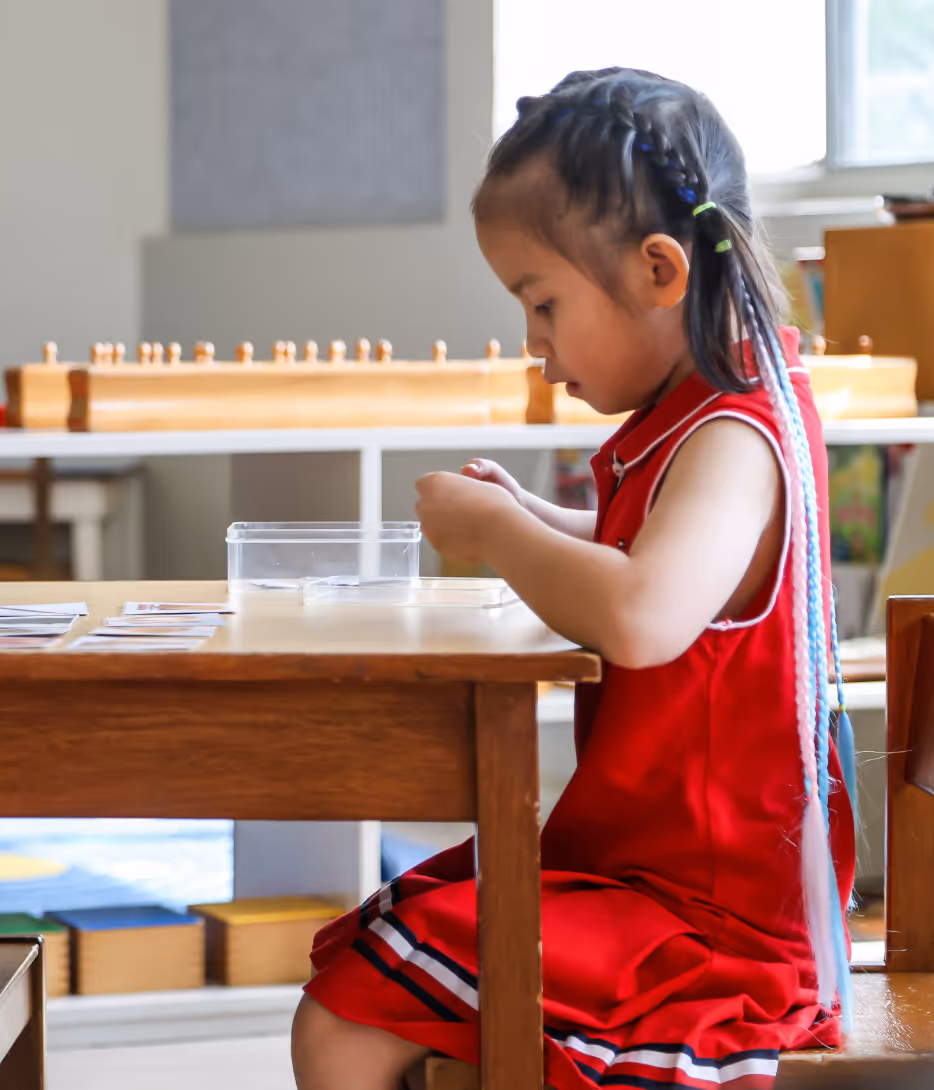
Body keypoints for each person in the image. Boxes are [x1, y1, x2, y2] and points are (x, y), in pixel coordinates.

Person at [291, 66, 856, 1090]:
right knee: (394, 941)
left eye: (542, 302)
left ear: (658, 271)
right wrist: (539, 517)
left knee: (346, 1013)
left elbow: (643, 613)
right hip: (654, 872)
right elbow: (654, 552)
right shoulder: (700, 412)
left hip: (708, 919)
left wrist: (503, 533)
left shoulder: (734, 432)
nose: (533, 343)